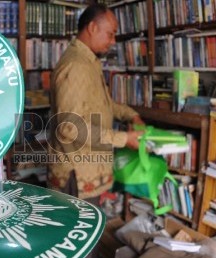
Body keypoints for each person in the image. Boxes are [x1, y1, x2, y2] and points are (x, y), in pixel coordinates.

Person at [47, 4, 144, 206]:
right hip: (77, 174)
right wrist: (123, 138)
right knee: (77, 233)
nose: (113, 41)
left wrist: (131, 115)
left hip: (88, 170)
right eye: (110, 34)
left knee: (86, 230)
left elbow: (104, 104)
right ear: (92, 28)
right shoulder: (76, 65)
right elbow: (69, 127)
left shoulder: (89, 61)